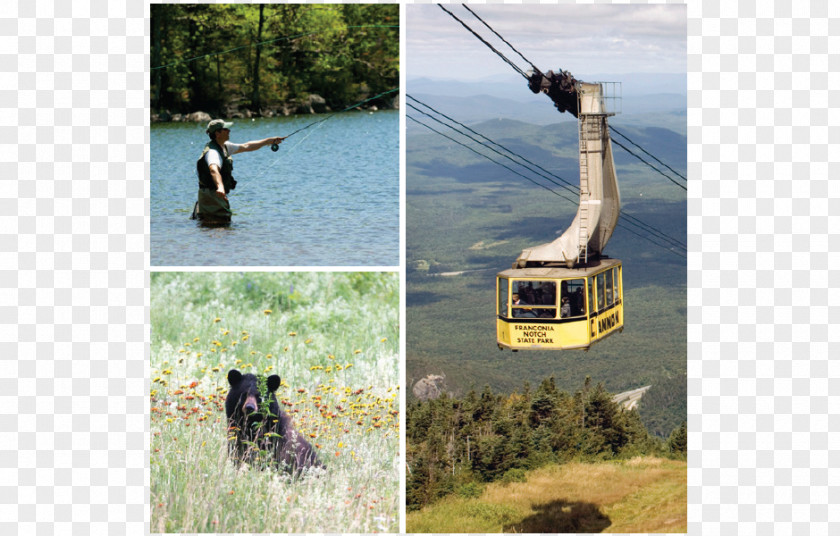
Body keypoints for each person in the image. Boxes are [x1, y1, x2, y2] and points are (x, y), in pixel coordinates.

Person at [191, 119, 287, 224]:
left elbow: (247, 146)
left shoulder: (225, 146)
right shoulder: (213, 152)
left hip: (215, 196)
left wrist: (269, 141)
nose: (229, 131)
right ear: (217, 133)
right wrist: (220, 187)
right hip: (211, 197)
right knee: (219, 230)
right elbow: (214, 170)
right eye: (225, 129)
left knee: (218, 230)